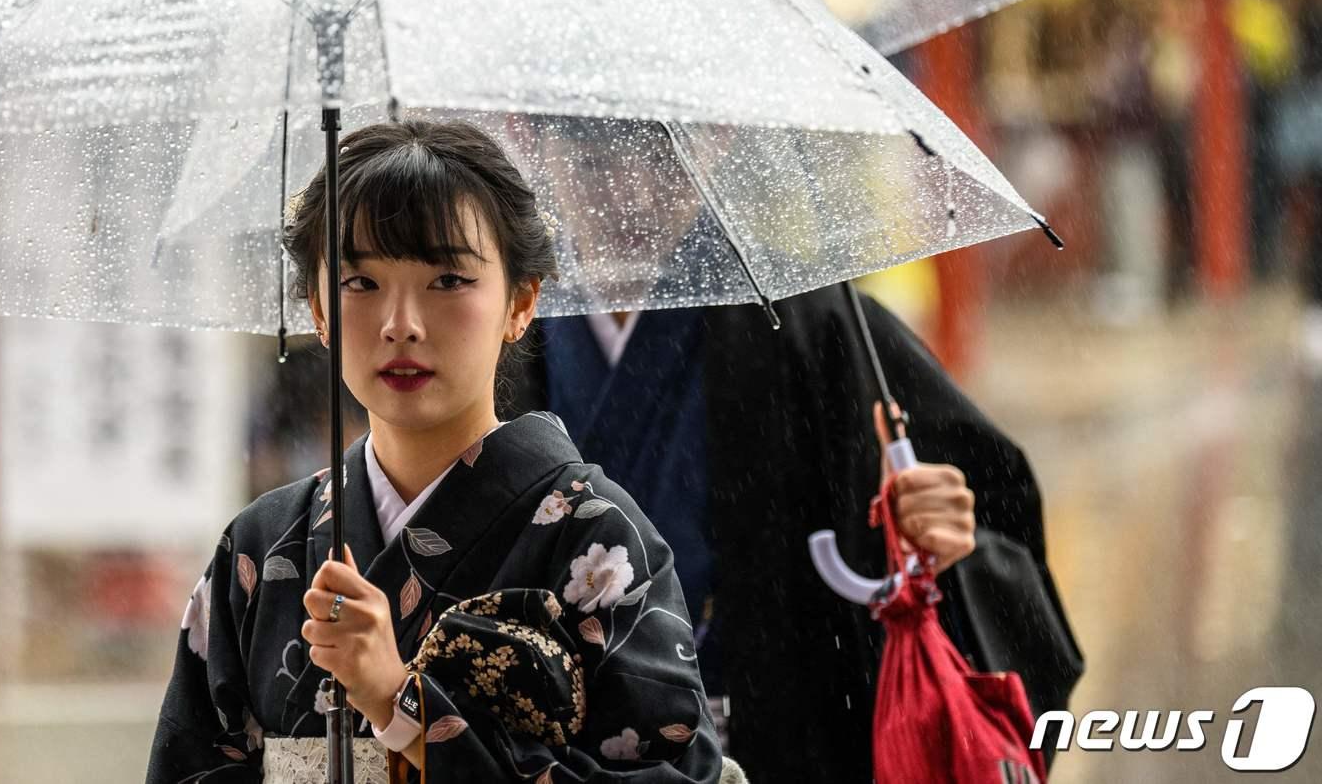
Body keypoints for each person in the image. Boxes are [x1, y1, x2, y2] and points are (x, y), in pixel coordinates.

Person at [146, 121, 724, 783]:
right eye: (360, 282)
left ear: (521, 300)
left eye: (447, 279)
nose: (401, 323)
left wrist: (401, 704)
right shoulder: (261, 549)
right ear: (318, 310)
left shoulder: (596, 542)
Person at [504, 291, 1084, 784]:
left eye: (653, 169)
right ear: (546, 155)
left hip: (781, 737)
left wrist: (946, 548)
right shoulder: (497, 326)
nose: (623, 188)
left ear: (711, 154)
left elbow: (992, 507)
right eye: (586, 161)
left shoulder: (813, 319)